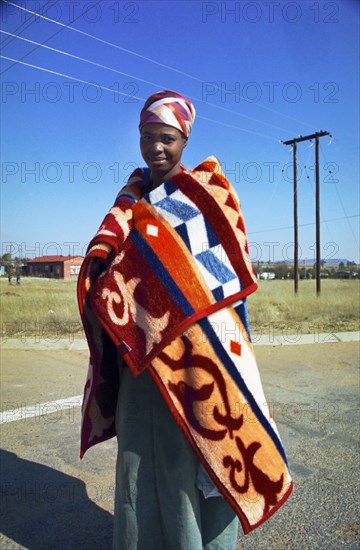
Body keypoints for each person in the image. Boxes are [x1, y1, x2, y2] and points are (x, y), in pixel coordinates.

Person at [77, 91, 292, 550]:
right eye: (148, 137)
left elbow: (226, 281)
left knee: (194, 458)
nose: (157, 147)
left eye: (167, 138)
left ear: (184, 139)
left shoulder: (207, 197)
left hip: (196, 354)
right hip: (140, 358)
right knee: (138, 461)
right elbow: (108, 271)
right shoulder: (127, 203)